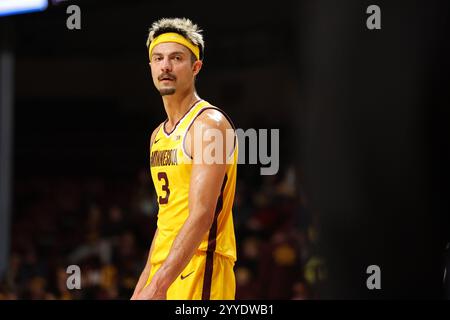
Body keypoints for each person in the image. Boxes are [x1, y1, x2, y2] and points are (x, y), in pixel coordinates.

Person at [131, 18, 238, 300]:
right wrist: (145, 282)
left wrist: (157, 286)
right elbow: (165, 220)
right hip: (164, 268)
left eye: (176, 58)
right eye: (158, 58)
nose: (165, 66)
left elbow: (202, 215)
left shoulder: (209, 124)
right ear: (151, 66)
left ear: (195, 67)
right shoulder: (157, 136)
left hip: (202, 265)